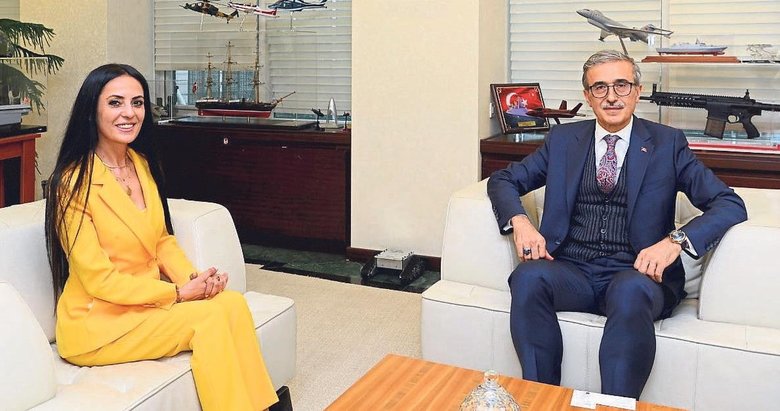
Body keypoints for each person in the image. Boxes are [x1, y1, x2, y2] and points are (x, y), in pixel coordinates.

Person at [487, 50, 747, 399]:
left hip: (636, 273)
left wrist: (674, 241)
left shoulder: (667, 144)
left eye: (621, 85)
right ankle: (540, 398)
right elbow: (503, 180)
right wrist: (520, 221)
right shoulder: (563, 141)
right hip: (572, 270)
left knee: (629, 290)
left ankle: (615, 406)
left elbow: (729, 204)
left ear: (637, 91)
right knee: (528, 277)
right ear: (587, 96)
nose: (611, 96)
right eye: (600, 87)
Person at [44, 64, 278, 411]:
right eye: (115, 102)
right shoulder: (72, 183)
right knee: (209, 320)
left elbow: (161, 240)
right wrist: (178, 294)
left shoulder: (140, 163)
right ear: (92, 111)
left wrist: (196, 281)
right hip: (98, 323)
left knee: (231, 303)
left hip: (142, 309)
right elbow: (99, 279)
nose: (129, 113)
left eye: (137, 102)